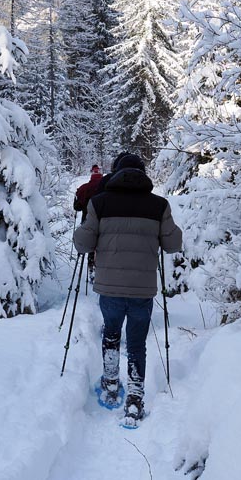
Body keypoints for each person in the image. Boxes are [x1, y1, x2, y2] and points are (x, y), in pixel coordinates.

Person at [73, 153, 183, 427]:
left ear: (115, 173)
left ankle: (111, 384)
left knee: (111, 334)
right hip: (142, 290)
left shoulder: (100, 203)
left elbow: (83, 244)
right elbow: (173, 244)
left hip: (109, 286)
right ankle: (135, 397)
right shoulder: (159, 205)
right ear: (143, 174)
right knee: (136, 343)